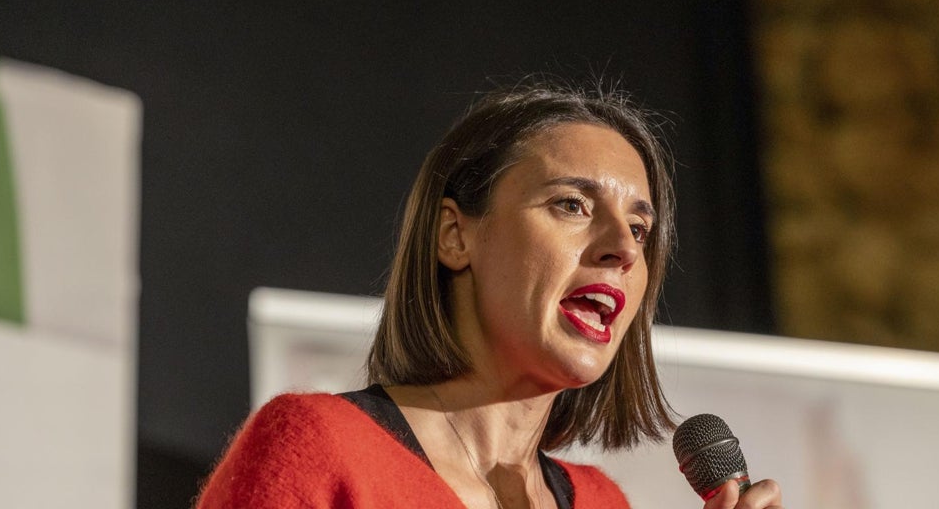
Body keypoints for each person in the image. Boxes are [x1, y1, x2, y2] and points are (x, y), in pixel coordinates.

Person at [195, 80, 783, 509]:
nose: (623, 249)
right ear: (455, 236)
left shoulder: (602, 502)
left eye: (639, 228)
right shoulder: (319, 447)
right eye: (572, 205)